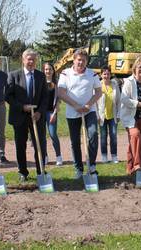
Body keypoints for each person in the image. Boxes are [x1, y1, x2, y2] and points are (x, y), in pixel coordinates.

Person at [58, 49, 102, 179]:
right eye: (79, 59)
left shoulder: (92, 75)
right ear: (74, 59)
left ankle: (92, 165)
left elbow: (98, 92)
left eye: (84, 60)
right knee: (75, 141)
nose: (81, 62)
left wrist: (89, 104)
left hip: (90, 111)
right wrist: (75, 105)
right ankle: (78, 168)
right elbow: (61, 92)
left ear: (87, 61)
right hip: (72, 112)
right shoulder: (65, 74)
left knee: (93, 134)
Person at [5, 48, 48, 181]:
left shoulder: (41, 76)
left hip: (37, 117)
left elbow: (45, 97)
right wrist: (22, 107)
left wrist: (40, 112)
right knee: (20, 145)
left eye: (33, 59)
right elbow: (8, 96)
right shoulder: (13, 75)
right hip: (20, 116)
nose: (31, 62)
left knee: (39, 145)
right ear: (23, 60)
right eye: (28, 59)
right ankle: (23, 172)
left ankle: (41, 171)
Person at [97, 66, 121, 163]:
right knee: (103, 137)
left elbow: (119, 101)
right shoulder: (98, 85)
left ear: (110, 75)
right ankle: (104, 156)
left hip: (113, 116)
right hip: (102, 116)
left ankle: (114, 156)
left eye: (108, 74)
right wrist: (97, 116)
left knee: (113, 136)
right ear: (101, 75)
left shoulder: (115, 85)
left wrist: (119, 115)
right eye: (104, 74)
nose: (106, 76)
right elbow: (94, 103)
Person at [43, 62, 63, 166]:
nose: (48, 71)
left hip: (51, 112)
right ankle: (44, 156)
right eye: (46, 69)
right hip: (41, 113)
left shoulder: (56, 84)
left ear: (53, 71)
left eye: (50, 69)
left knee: (53, 134)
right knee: (42, 136)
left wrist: (54, 114)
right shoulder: (40, 82)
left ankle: (58, 156)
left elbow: (58, 101)